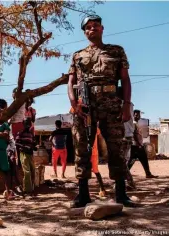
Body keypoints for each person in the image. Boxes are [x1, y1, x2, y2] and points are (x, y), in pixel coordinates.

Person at [67, 15, 137, 208]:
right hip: (85, 107)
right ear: (84, 32)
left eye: (95, 26)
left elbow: (125, 79)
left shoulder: (116, 51)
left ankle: (121, 194)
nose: (92, 29)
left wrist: (126, 105)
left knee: (116, 147)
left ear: (102, 28)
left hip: (112, 104)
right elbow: (71, 82)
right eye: (88, 27)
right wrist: (74, 103)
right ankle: (83, 195)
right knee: (82, 147)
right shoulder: (77, 55)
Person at [128, 110, 158, 178]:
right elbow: (134, 135)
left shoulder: (136, 123)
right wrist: (139, 144)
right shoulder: (133, 123)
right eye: (136, 115)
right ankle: (125, 174)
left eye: (138, 115)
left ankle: (148, 173)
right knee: (133, 160)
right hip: (136, 145)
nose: (137, 116)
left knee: (141, 159)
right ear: (133, 115)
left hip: (137, 145)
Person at [15, 118, 38, 197]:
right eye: (26, 123)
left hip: (30, 155)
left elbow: (33, 144)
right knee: (27, 172)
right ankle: (27, 190)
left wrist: (34, 147)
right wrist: (24, 147)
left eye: (29, 123)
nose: (28, 124)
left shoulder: (31, 134)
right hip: (23, 154)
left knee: (33, 172)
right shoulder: (20, 133)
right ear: (23, 124)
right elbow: (16, 143)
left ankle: (31, 189)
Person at [91, 128, 106, 197]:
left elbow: (100, 139)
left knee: (95, 171)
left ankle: (102, 189)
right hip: (93, 153)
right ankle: (102, 189)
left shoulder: (96, 128)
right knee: (96, 171)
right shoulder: (96, 128)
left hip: (92, 153)